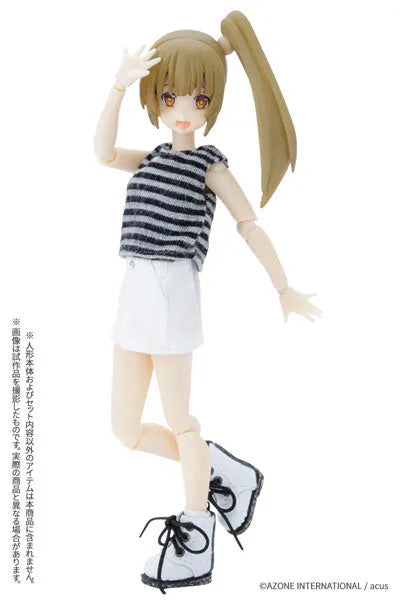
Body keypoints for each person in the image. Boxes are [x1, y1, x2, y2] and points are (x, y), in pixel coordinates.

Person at [94, 10, 320, 592]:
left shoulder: (208, 164)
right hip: (132, 300)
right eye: (170, 95)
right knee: (125, 430)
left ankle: (198, 530)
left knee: (181, 423)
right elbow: (102, 152)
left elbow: (248, 224)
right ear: (156, 98)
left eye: (197, 98)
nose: (183, 109)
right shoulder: (150, 158)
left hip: (172, 299)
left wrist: (283, 287)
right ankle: (225, 471)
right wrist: (117, 87)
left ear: (211, 103)